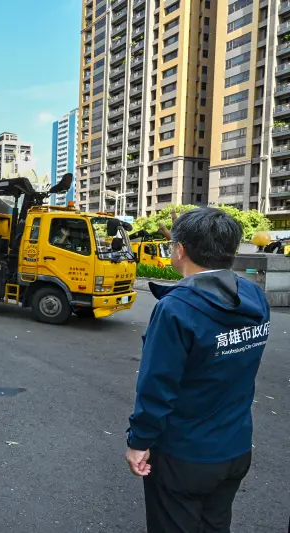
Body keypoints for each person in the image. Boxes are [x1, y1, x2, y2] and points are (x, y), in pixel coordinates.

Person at [125, 208, 270, 533]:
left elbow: (157, 388)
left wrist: (139, 441)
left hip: (184, 456)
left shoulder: (175, 309)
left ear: (180, 250)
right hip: (234, 449)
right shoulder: (254, 296)